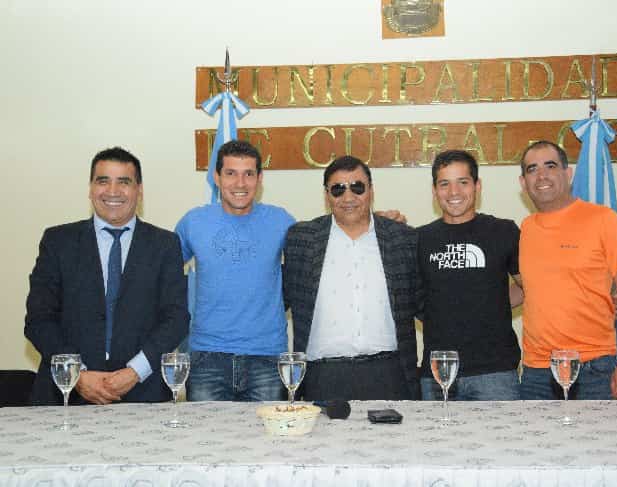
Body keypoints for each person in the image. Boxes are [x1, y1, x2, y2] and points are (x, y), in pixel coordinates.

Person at [25, 147, 189, 405]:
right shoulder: (58, 242)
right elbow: (39, 319)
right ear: (91, 188)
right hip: (66, 394)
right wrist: (77, 374)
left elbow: (176, 318)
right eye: (103, 181)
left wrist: (134, 372)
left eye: (124, 182)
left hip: (143, 395)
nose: (113, 191)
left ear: (139, 190)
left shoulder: (165, 244)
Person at [283, 156, 421, 401]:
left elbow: (423, 301)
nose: (348, 197)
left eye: (357, 187)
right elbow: (280, 297)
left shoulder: (402, 237)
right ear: (326, 195)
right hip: (323, 375)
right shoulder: (301, 238)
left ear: (371, 190)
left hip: (389, 373)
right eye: (338, 189)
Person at [516, 140, 617, 400]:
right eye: (532, 169)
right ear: (523, 182)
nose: (541, 175)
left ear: (568, 173)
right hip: (536, 373)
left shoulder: (603, 219)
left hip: (594, 369)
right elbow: (527, 290)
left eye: (550, 166)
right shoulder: (525, 229)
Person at [176, 140, 294, 401]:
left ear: (259, 178)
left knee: (271, 429)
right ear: (216, 177)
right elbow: (160, 271)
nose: (240, 183)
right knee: (205, 430)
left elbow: (318, 249)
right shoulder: (193, 222)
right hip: (206, 357)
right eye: (231, 173)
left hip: (267, 358)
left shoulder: (281, 221)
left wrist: (372, 219)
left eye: (248, 174)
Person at [418, 150, 521, 400]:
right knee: (435, 430)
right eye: (444, 184)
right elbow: (411, 298)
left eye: (462, 182)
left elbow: (529, 286)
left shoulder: (503, 231)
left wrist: (492, 304)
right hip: (438, 371)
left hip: (495, 373)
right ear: (434, 191)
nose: (454, 192)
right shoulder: (419, 238)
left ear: (477, 186)